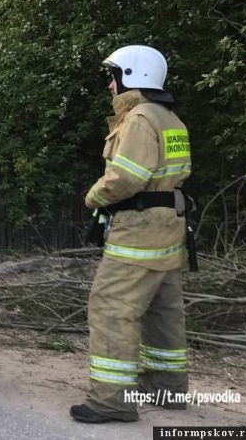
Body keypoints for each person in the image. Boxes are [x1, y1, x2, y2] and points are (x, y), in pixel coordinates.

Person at [70, 45, 193, 424]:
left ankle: (111, 400)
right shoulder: (171, 118)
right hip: (169, 226)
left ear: (133, 76)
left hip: (138, 230)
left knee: (111, 307)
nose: (110, 85)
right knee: (163, 310)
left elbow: (126, 178)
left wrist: (93, 197)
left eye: (114, 76)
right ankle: (167, 387)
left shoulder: (139, 118)